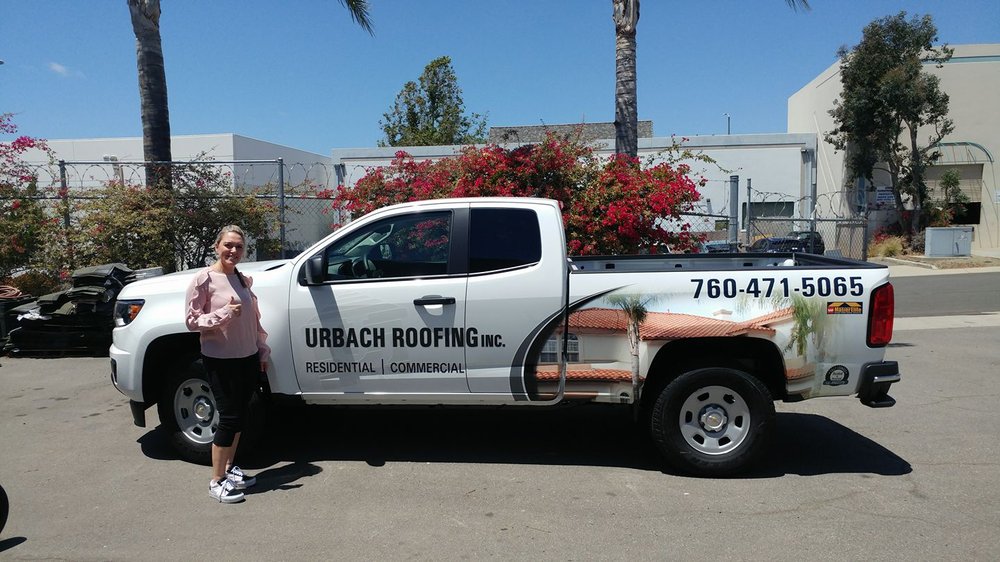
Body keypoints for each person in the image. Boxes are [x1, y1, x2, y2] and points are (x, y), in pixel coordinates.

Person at [185, 225, 270, 503]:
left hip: (246, 358)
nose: (233, 251)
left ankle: (231, 469)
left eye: (239, 247)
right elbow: (191, 321)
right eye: (228, 245)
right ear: (217, 246)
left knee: (241, 416)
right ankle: (216, 480)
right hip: (220, 360)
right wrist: (223, 314)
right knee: (229, 418)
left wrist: (261, 350)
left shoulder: (243, 280)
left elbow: (253, 320)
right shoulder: (204, 280)